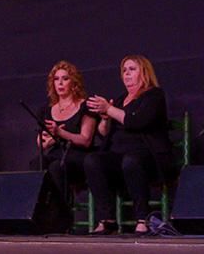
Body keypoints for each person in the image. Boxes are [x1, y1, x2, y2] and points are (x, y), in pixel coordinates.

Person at [84, 55, 173, 235]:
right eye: (124, 71)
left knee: (131, 160)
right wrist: (105, 119)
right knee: (93, 160)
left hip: (148, 156)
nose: (127, 74)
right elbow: (105, 133)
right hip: (119, 156)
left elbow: (137, 121)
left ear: (144, 72)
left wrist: (109, 109)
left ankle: (142, 218)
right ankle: (107, 219)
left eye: (132, 69)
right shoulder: (119, 100)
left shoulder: (154, 95)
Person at [35, 61, 97, 203]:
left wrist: (61, 133)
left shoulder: (85, 106)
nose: (60, 83)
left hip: (78, 157)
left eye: (65, 79)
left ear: (74, 82)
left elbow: (85, 140)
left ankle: (61, 213)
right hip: (56, 154)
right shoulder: (46, 110)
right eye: (56, 79)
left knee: (57, 167)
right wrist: (50, 140)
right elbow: (41, 143)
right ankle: (42, 209)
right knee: (37, 163)